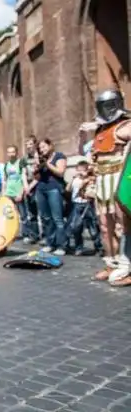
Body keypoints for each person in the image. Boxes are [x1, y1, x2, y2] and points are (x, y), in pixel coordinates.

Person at [79, 89, 131, 286]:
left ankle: (127, 265)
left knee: (122, 224)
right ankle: (111, 263)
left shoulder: (124, 125)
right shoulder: (100, 131)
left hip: (119, 179)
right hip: (102, 180)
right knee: (104, 226)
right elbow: (88, 155)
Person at [32, 139, 68, 255]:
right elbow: (37, 177)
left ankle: (61, 246)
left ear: (50, 145)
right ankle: (50, 243)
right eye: (40, 148)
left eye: (44, 146)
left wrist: (47, 164)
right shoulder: (41, 159)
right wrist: (36, 168)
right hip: (41, 189)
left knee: (57, 218)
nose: (42, 149)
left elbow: (60, 172)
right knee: (45, 218)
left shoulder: (59, 156)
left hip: (54, 189)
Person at [67, 161, 102, 256]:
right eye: (78, 170)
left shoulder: (90, 179)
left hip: (87, 205)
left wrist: (86, 177)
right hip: (77, 204)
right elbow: (68, 189)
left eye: (82, 170)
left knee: (93, 227)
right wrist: (73, 178)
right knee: (76, 228)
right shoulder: (75, 179)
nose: (80, 172)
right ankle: (79, 247)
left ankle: (99, 247)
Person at [1, 145, 32, 241]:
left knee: (23, 215)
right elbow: (5, 180)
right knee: (9, 215)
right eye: (9, 152)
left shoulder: (20, 162)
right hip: (8, 193)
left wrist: (21, 192)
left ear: (16, 152)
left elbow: (24, 178)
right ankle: (10, 234)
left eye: (13, 152)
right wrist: (3, 193)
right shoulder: (6, 165)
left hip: (18, 192)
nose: (11, 154)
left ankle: (26, 234)